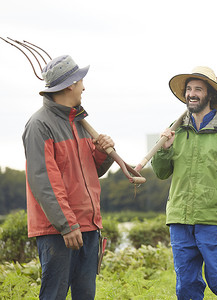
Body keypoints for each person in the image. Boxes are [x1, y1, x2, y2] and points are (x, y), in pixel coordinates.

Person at [152, 66, 217, 300]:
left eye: (198, 89)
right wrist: (164, 151)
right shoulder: (176, 129)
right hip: (179, 217)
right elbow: (162, 173)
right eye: (188, 89)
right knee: (186, 285)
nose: (192, 94)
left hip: (213, 218)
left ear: (210, 95)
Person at [23, 55, 115, 300]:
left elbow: (91, 172)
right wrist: (67, 224)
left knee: (85, 295)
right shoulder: (39, 125)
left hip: (88, 226)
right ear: (70, 85)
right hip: (59, 230)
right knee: (54, 295)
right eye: (81, 81)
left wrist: (101, 152)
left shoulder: (79, 122)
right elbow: (44, 182)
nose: (84, 87)